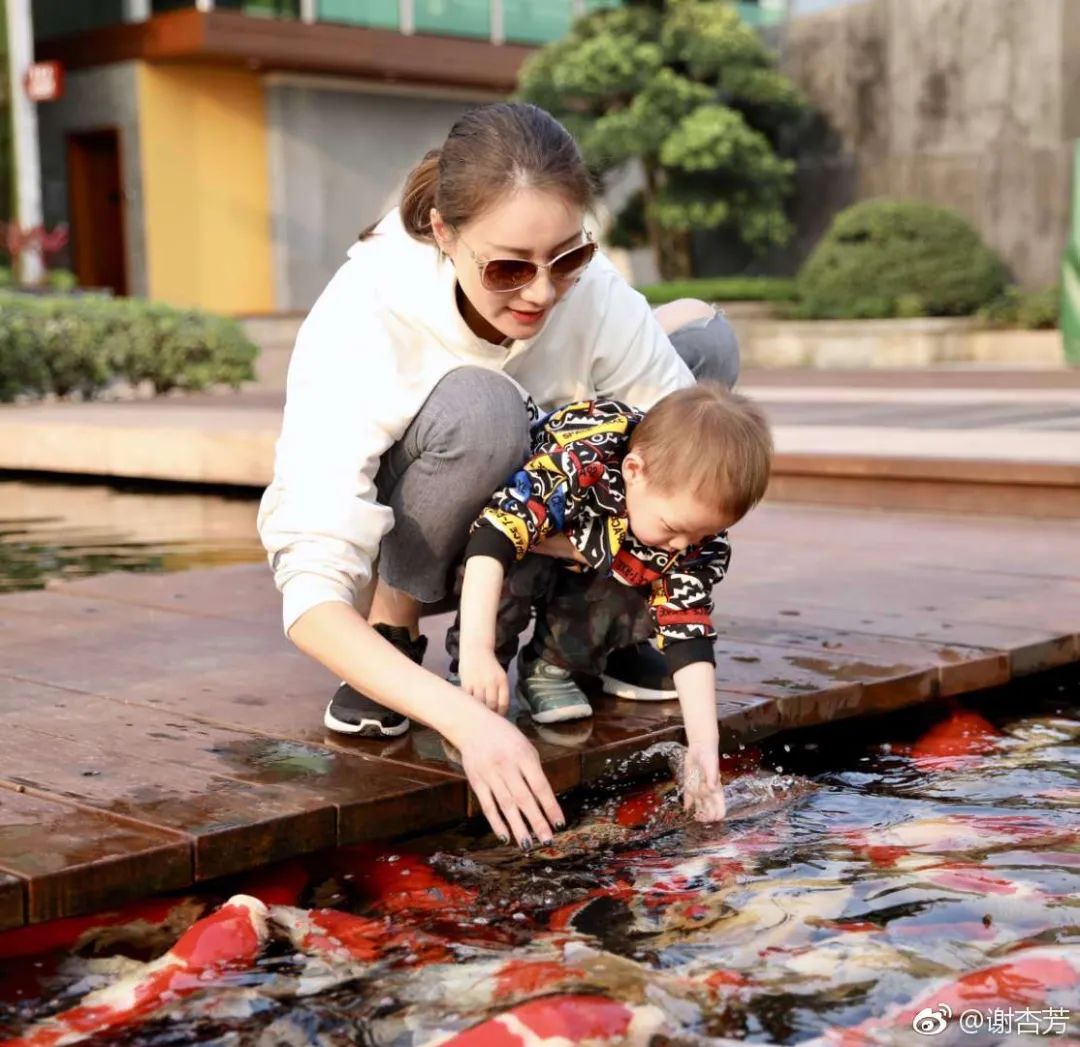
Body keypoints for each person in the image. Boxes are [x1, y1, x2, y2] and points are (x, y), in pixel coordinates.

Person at [257, 101, 740, 850]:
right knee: (484, 410)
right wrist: (467, 720)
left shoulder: (593, 291)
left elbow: (680, 452)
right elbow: (310, 594)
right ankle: (395, 629)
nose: (541, 293)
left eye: (567, 259)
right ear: (444, 234)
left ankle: (605, 625)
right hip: (435, 519)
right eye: (509, 267)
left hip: (551, 500)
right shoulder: (366, 312)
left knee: (707, 361)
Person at [449, 384, 772, 822]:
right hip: (525, 544)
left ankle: (553, 664)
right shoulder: (579, 463)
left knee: (649, 572)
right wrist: (477, 650)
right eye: (674, 528)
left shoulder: (685, 530)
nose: (683, 545)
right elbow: (494, 538)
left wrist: (703, 745)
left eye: (701, 535)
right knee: (510, 577)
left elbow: (688, 627)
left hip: (600, 554)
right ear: (634, 471)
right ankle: (472, 676)